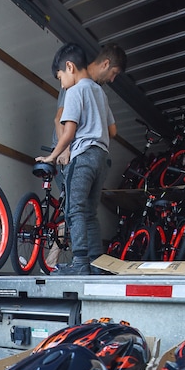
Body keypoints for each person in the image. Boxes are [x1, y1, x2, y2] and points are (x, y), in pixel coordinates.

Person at [38, 43, 114, 275]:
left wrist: (52, 156)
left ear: (70, 67)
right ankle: (96, 263)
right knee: (90, 212)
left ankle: (81, 263)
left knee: (74, 210)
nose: (61, 84)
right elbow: (113, 130)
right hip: (101, 157)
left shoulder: (74, 91)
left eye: (60, 77)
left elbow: (68, 132)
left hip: (82, 158)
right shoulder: (99, 92)